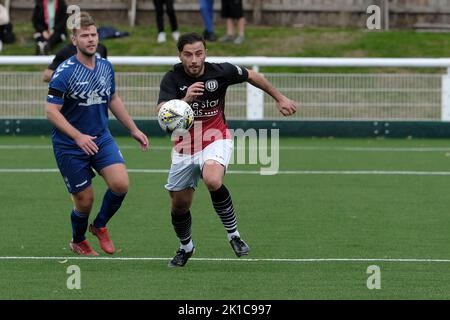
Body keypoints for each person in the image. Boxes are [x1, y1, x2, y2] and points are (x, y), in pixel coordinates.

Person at [156, 32, 297, 267]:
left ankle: (234, 236)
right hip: (184, 147)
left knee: (212, 179)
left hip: (216, 138)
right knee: (179, 204)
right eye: (188, 54)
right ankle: (186, 247)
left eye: (198, 54)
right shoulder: (172, 78)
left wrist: (279, 98)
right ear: (180, 55)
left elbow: (252, 75)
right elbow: (162, 111)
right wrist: (185, 100)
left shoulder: (220, 71)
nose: (194, 60)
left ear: (205, 53)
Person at [45, 12, 149, 256]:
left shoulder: (105, 66)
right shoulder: (65, 72)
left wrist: (133, 129)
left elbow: (112, 98)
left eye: (93, 35)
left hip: (101, 137)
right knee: (85, 201)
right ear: (74, 40)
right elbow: (51, 111)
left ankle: (100, 225)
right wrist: (78, 136)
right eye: (85, 36)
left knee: (121, 184)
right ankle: (78, 240)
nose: (91, 40)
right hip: (70, 144)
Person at [42, 42, 107, 82]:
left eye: (93, 34)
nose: (90, 38)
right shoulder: (66, 51)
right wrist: (71, 79)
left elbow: (104, 72)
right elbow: (46, 76)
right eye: (84, 35)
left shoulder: (101, 48)